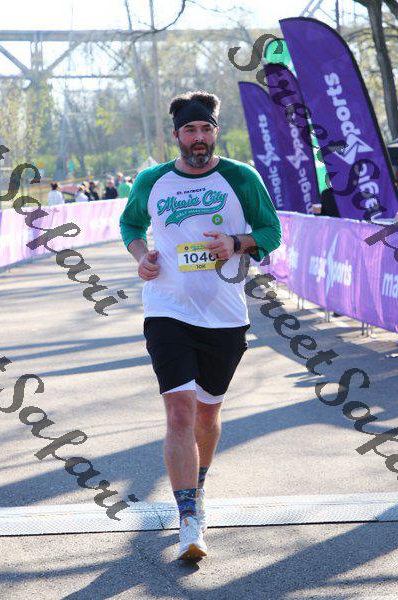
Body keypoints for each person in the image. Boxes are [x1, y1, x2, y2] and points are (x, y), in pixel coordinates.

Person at [119, 90, 281, 560]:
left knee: (207, 415)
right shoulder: (152, 180)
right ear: (176, 135)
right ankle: (188, 518)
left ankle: (199, 484)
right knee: (179, 413)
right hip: (167, 310)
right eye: (189, 129)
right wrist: (141, 257)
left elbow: (271, 231)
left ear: (215, 132)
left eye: (205, 128)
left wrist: (236, 242)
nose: (198, 137)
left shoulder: (241, 177)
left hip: (225, 316)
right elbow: (130, 226)